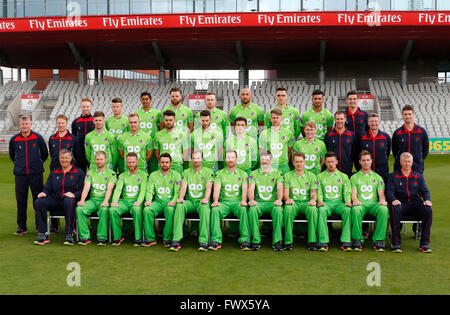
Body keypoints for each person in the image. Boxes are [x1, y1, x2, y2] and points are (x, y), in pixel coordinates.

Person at [34, 149, 85, 245]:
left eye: (66, 158)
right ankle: (43, 233)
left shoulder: (78, 172)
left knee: (68, 201)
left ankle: (69, 234)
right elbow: (48, 187)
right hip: (55, 199)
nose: (64, 160)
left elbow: (83, 190)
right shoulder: (54, 172)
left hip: (70, 200)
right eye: (62, 158)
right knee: (39, 202)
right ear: (59, 159)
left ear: (70, 158)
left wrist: (74, 194)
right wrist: (44, 192)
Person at [386, 152, 433, 253]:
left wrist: (427, 200)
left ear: (412, 163)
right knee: (395, 209)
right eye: (405, 162)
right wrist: (393, 200)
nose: (407, 164)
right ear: (400, 162)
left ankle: (424, 243)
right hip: (400, 203)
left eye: (409, 162)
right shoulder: (393, 176)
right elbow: (389, 192)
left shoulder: (418, 176)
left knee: (428, 210)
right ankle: (396, 243)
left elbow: (425, 191)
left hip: (415, 203)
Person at [9, 115, 48, 235]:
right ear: (20, 125)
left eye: (27, 124)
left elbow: (45, 154)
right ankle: (22, 226)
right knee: (21, 201)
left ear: (30, 125)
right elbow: (12, 155)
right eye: (23, 124)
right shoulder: (14, 139)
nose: (25, 126)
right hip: (20, 175)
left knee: (38, 201)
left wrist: (36, 164)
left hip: (36, 174)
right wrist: (20, 165)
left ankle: (39, 226)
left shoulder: (38, 137)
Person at [171, 150, 213, 251]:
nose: (196, 160)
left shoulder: (208, 172)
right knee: (180, 206)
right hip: (190, 201)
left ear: (202, 159)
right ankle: (176, 240)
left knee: (205, 208)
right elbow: (183, 187)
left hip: (202, 201)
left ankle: (203, 241)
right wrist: (181, 197)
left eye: (198, 158)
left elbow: (209, 188)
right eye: (194, 158)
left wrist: (206, 199)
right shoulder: (186, 172)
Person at [209, 150, 251, 251]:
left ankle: (245, 239)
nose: (230, 160)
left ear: (236, 159)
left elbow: (245, 189)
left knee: (243, 209)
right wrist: (215, 200)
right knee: (215, 210)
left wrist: (244, 200)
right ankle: (216, 240)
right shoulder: (219, 173)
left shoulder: (243, 174)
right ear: (225, 159)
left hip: (237, 202)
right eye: (228, 157)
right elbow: (217, 188)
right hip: (224, 203)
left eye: (232, 157)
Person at [350, 150, 389, 252]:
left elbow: (381, 194)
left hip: (373, 204)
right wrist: (355, 200)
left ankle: (379, 240)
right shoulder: (354, 177)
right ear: (359, 162)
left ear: (371, 161)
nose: (366, 162)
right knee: (356, 210)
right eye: (363, 160)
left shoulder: (378, 177)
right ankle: (357, 239)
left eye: (368, 160)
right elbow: (353, 194)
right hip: (360, 203)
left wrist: (382, 201)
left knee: (384, 210)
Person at [76, 151, 117, 245]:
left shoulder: (111, 173)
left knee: (104, 209)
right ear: (94, 160)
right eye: (97, 159)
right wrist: (82, 200)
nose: (99, 161)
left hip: (104, 200)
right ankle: (85, 237)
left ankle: (102, 237)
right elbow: (86, 187)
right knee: (80, 209)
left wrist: (106, 201)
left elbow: (109, 189)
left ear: (106, 160)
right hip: (93, 200)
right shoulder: (90, 173)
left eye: (101, 159)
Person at [142, 153, 181, 248]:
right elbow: (149, 190)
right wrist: (148, 200)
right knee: (147, 210)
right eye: (162, 162)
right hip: (158, 202)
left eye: (167, 162)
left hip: (170, 201)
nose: (164, 164)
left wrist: (174, 201)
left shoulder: (176, 175)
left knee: (170, 210)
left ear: (171, 163)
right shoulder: (153, 175)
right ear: (159, 163)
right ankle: (150, 238)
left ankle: (167, 238)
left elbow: (177, 192)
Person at [247, 151, 284, 251]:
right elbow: (251, 188)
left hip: (272, 203)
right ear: (260, 161)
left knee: (278, 210)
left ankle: (277, 240)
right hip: (259, 203)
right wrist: (251, 200)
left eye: (267, 160)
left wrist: (279, 200)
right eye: (263, 160)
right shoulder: (253, 173)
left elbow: (280, 188)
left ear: (271, 161)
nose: (265, 162)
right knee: (252, 210)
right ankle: (255, 240)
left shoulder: (277, 173)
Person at [316, 152, 352, 252]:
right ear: (325, 163)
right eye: (328, 162)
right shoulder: (319, 176)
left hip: (339, 204)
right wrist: (320, 201)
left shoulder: (344, 176)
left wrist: (348, 202)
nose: (331, 164)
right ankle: (323, 241)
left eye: (332, 162)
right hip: (326, 204)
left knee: (347, 210)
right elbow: (319, 192)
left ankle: (346, 241)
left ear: (336, 162)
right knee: (321, 210)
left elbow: (347, 192)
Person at [109, 153, 148, 246]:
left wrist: (139, 201)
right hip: (125, 201)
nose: (131, 164)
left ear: (137, 162)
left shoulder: (143, 175)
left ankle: (138, 238)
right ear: (126, 163)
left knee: (137, 209)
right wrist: (114, 201)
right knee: (112, 210)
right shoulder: (122, 175)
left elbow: (143, 191)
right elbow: (118, 190)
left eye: (133, 162)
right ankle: (117, 236)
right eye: (129, 162)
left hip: (137, 201)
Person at [283, 152, 319, 251]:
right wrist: (287, 199)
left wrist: (313, 200)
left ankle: (312, 241)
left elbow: (314, 193)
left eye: (301, 161)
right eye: (297, 162)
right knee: (288, 210)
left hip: (306, 202)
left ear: (304, 162)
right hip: (293, 202)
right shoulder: (287, 175)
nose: (299, 164)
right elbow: (285, 193)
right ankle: (288, 241)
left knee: (313, 210)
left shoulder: (311, 176)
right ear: (293, 163)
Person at [392, 105, 429, 175]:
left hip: (417, 167)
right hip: (400, 168)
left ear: (413, 115)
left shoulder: (421, 131)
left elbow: (425, 150)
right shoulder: (397, 132)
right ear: (402, 116)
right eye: (405, 114)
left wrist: (418, 159)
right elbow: (395, 151)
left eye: (409, 114)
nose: (407, 116)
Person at [259, 108, 294, 175]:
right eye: (273, 118)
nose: (275, 120)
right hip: (270, 166)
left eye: (277, 118)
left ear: (281, 119)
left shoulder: (288, 133)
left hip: (284, 167)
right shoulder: (264, 133)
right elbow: (262, 152)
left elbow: (290, 151)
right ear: (270, 119)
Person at [154, 110, 189, 174]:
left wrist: (179, 163)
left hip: (177, 167)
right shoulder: (158, 135)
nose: (168, 122)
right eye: (166, 120)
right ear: (163, 120)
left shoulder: (181, 134)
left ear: (174, 120)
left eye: (170, 120)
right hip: (162, 167)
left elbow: (185, 152)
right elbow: (157, 153)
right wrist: (163, 163)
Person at [360, 113, 391, 183]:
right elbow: (357, 153)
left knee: (381, 193)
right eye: (371, 121)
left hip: (382, 172)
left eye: (376, 121)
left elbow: (387, 153)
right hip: (366, 172)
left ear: (379, 122)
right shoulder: (362, 137)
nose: (374, 123)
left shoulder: (386, 137)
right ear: (368, 123)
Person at [324, 111, 356, 178]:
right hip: (332, 168)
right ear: (334, 120)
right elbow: (326, 151)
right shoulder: (328, 135)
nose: (339, 121)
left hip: (347, 169)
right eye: (337, 119)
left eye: (341, 119)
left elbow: (354, 152)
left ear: (345, 119)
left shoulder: (351, 135)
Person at [135, 91, 161, 173]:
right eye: (143, 99)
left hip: (152, 144)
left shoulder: (157, 113)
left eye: (147, 99)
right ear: (140, 100)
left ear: (150, 100)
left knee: (153, 169)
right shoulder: (136, 113)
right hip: (141, 144)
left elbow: (160, 127)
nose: (145, 101)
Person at [344, 91, 368, 171]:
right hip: (347, 148)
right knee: (346, 171)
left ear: (358, 100)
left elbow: (368, 131)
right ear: (347, 100)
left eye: (354, 99)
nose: (352, 101)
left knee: (362, 170)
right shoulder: (343, 115)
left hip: (360, 148)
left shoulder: (364, 115)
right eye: (350, 99)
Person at [106, 97, 130, 173]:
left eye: (117, 107)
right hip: (111, 151)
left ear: (121, 107)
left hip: (122, 151)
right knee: (110, 173)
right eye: (113, 107)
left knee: (123, 173)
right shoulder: (108, 121)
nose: (115, 109)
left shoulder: (126, 120)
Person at [71, 98, 95, 173]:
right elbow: (74, 136)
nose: (85, 108)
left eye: (87, 107)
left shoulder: (95, 121)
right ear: (81, 107)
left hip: (92, 151)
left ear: (91, 107)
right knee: (80, 173)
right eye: (84, 107)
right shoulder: (76, 122)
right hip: (80, 153)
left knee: (93, 172)